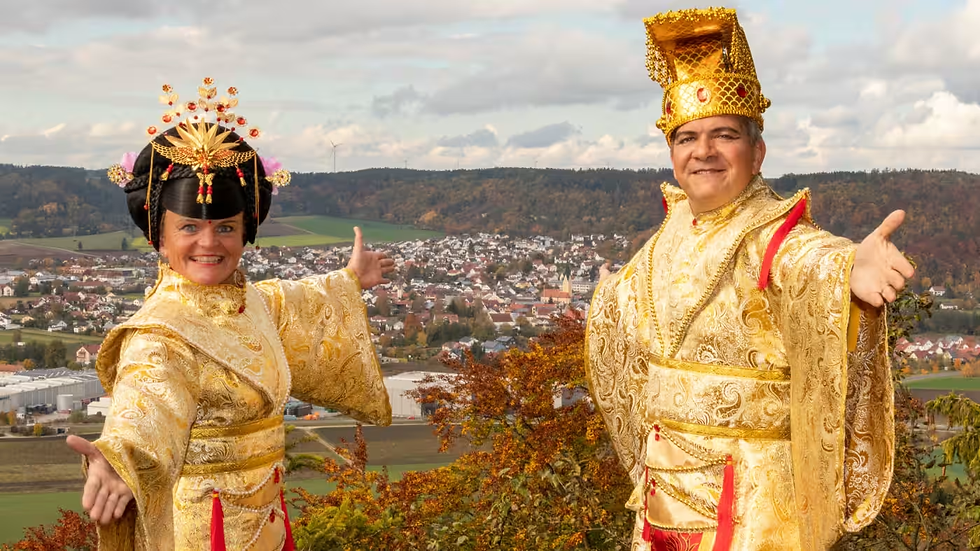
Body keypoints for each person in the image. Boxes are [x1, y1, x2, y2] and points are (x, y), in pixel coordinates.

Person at [585, 8, 914, 551]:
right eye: (687, 137)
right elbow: (632, 310)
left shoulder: (773, 233)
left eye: (724, 135)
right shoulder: (668, 233)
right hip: (662, 491)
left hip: (753, 496)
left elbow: (807, 260)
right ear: (672, 154)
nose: (703, 151)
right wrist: (609, 296)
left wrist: (849, 267)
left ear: (757, 152)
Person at [64, 78, 394, 551]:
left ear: (246, 232)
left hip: (268, 516)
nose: (208, 243)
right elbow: (146, 404)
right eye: (189, 227)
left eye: (225, 227)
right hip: (203, 525)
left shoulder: (255, 302)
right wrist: (120, 461)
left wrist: (349, 280)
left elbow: (301, 298)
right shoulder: (160, 335)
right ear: (159, 235)